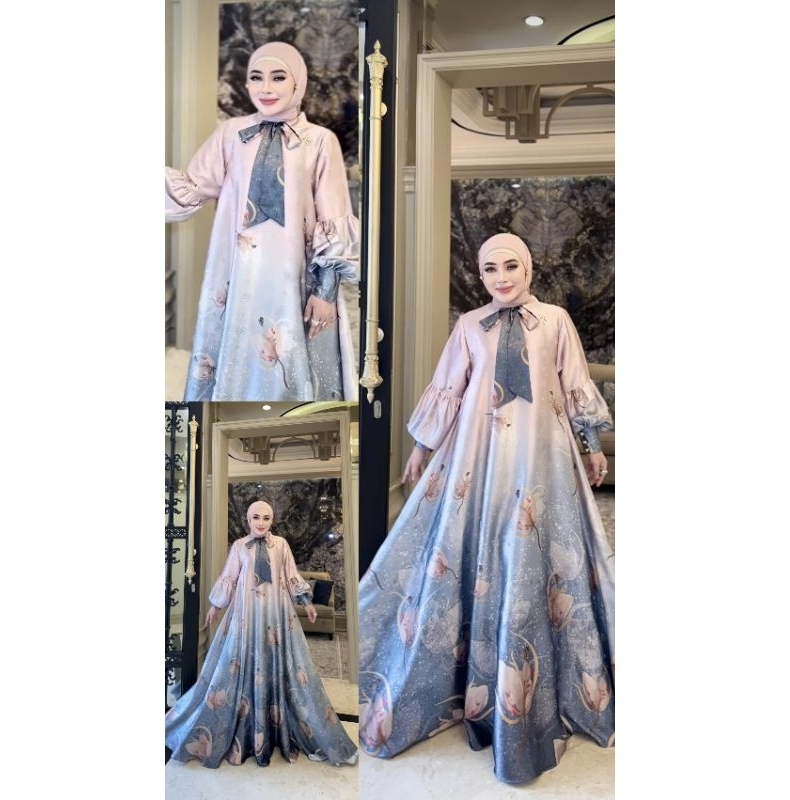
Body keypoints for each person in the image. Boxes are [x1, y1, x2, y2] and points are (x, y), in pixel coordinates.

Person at [358, 233, 614, 785]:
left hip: (542, 456)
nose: (501, 277)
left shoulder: (555, 321)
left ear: (529, 268)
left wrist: (593, 445)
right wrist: (423, 447)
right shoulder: (470, 325)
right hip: (480, 454)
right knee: (470, 548)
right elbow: (449, 388)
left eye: (510, 266)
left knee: (536, 551)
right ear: (480, 275)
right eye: (489, 269)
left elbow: (574, 384)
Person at [165, 41, 359, 402]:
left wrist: (325, 292)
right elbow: (190, 188)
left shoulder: (320, 141)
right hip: (239, 276)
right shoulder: (231, 134)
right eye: (256, 77)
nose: (265, 88)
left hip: (296, 279)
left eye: (278, 77)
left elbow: (333, 218)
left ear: (298, 82)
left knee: (297, 375)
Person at [166, 501, 358, 768]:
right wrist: (215, 607)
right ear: (248, 519)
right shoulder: (239, 546)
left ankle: (278, 726)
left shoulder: (281, 545)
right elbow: (230, 578)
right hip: (246, 615)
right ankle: (245, 731)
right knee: (236, 664)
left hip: (276, 615)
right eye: (256, 517)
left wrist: (307, 603)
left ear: (272, 520)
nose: (261, 522)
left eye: (266, 518)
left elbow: (291, 575)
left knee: (286, 666)